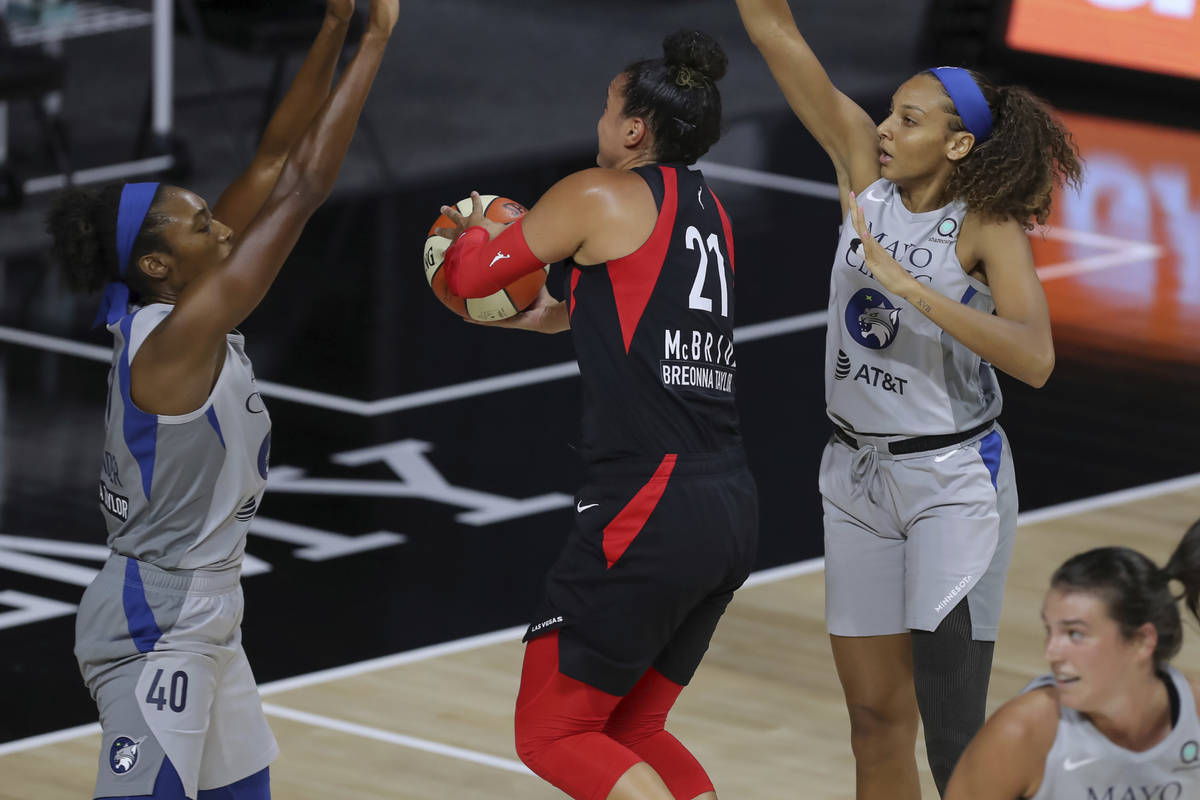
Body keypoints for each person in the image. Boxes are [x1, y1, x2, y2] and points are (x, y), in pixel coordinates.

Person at [44, 1, 398, 797]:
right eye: (202, 225)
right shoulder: (175, 341)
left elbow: (274, 159)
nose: (222, 227)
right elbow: (303, 188)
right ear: (160, 266)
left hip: (209, 611)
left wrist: (335, 23)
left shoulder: (177, 304)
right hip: (154, 621)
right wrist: (377, 40)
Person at [734, 0, 1083, 796]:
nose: (885, 127)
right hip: (855, 476)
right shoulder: (864, 173)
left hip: (951, 480)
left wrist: (909, 289)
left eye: (909, 119)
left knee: (954, 729)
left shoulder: (988, 225)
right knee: (874, 723)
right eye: (889, 112)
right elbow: (777, 33)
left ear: (958, 144)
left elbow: (1036, 357)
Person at [435, 30, 757, 800]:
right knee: (634, 731)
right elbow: (579, 310)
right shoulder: (712, 215)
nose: (600, 124)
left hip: (650, 502)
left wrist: (460, 230)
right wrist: (515, 310)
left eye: (607, 109)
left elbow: (472, 273)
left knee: (551, 733)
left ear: (636, 130)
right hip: (730, 505)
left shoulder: (596, 192)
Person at [945, 520, 1200, 799]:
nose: (1051, 653)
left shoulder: (1194, 715)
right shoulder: (1021, 734)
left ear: (1142, 641)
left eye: (1075, 634)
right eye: (1049, 630)